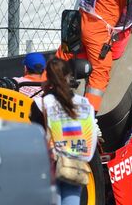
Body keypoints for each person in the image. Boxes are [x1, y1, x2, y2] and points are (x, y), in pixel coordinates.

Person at [35, 58, 97, 205]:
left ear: (48, 79)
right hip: (75, 163)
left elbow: (34, 136)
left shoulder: (43, 103)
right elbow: (91, 135)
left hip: (50, 165)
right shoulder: (84, 103)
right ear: (70, 76)